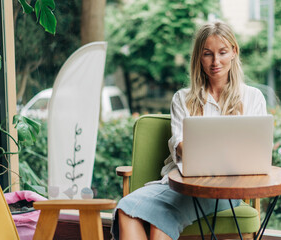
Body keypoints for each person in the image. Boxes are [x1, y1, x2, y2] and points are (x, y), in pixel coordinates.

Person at [112, 21, 267, 240]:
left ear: (234, 52)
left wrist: (205, 153)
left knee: (156, 222)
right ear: (198, 57)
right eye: (207, 54)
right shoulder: (182, 99)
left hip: (225, 190)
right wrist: (223, 155)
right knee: (126, 209)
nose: (216, 62)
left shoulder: (252, 98)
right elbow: (180, 145)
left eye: (222, 52)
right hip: (180, 185)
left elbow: (256, 151)